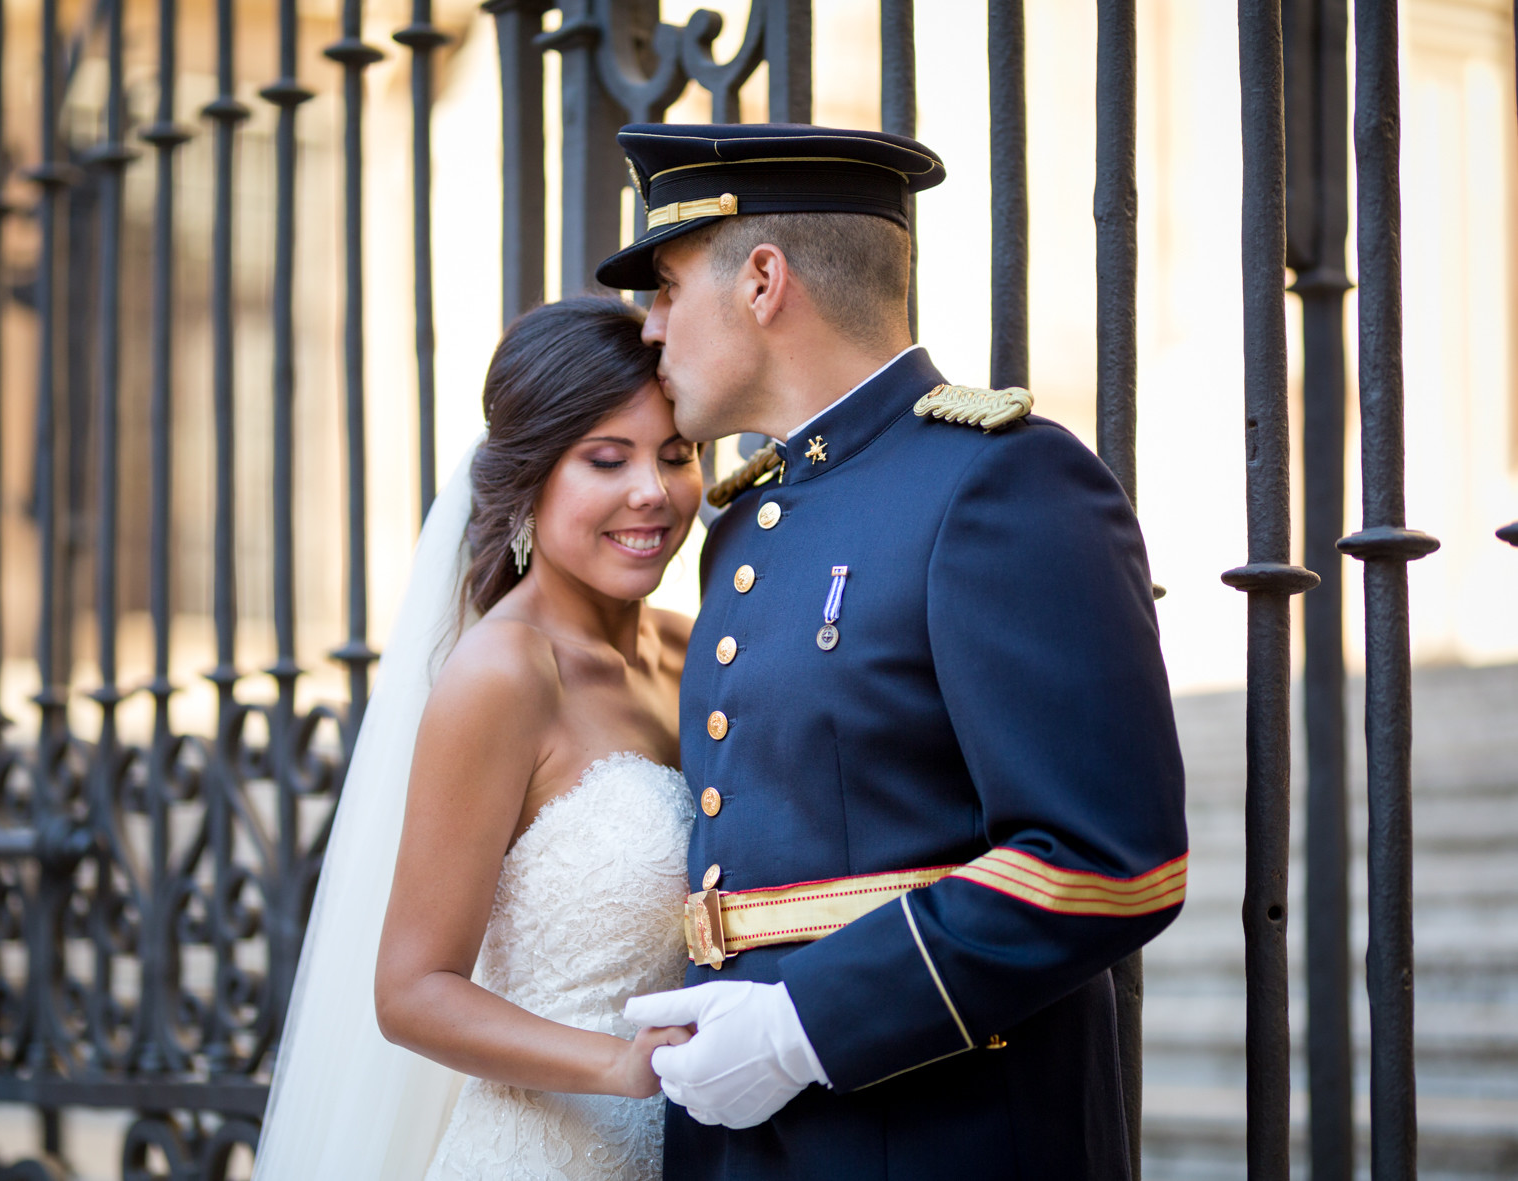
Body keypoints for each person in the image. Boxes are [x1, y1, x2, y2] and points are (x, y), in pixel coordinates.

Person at [606, 123, 1189, 1180]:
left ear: (762, 281)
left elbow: (1107, 855)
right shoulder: (744, 523)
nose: (647, 329)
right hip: (739, 1130)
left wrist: (801, 1028)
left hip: (939, 1129)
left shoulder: (998, 484)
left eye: (666, 287)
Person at [253, 297, 704, 1180]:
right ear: (531, 479)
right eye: (606, 459)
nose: (652, 489)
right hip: (549, 1149)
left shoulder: (695, 650)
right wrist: (618, 1065)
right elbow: (413, 993)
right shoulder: (503, 674)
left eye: (676, 454)